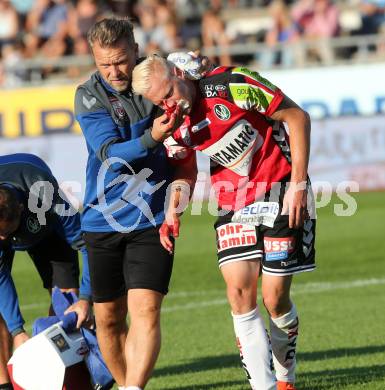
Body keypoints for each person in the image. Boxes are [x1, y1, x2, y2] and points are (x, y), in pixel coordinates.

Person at [131, 55, 317, 390]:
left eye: (170, 93)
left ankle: (286, 378)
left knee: (275, 299)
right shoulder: (173, 122)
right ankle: (265, 386)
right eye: (160, 101)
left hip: (281, 188)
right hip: (234, 202)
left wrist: (299, 185)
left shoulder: (234, 85)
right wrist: (174, 210)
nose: (170, 104)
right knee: (238, 294)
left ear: (177, 73)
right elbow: (186, 171)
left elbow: (297, 117)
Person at [74, 18, 197, 390]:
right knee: (109, 319)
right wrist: (153, 136)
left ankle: (133, 388)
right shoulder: (88, 94)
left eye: (121, 61)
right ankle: (128, 383)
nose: (113, 71)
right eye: (104, 64)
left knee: (146, 309)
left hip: (152, 218)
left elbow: (197, 77)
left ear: (136, 50)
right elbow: (110, 153)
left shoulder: (158, 80)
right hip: (102, 219)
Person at [0, 153, 92, 390]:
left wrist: (85, 297)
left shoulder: (47, 196)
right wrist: (17, 330)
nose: (3, 239)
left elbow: (86, 246)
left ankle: (68, 374)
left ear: (21, 209)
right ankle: (4, 384)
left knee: (66, 300)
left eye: (5, 233)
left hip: (47, 232)